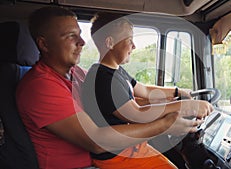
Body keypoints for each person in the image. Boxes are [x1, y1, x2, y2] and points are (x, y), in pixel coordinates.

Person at [16, 6, 213, 169]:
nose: (82, 42)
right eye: (70, 36)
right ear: (44, 44)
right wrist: (165, 123)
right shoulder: (40, 86)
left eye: (80, 35)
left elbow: (126, 100)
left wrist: (173, 99)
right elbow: (97, 141)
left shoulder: (77, 74)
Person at [81, 12, 214, 169]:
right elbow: (137, 114)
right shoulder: (103, 79)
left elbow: (143, 90)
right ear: (110, 42)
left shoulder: (116, 71)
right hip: (117, 156)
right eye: (129, 40)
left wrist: (177, 92)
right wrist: (186, 106)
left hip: (131, 147)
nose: (134, 46)